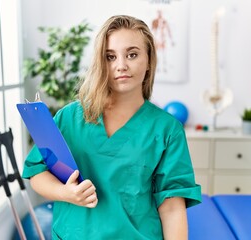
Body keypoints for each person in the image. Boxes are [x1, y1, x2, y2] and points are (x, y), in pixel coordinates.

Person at [22, 15, 201, 239]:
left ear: (149, 60)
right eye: (110, 57)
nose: (121, 65)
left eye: (132, 54)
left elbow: (173, 209)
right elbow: (37, 171)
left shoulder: (167, 130)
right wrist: (65, 193)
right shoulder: (69, 118)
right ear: (100, 62)